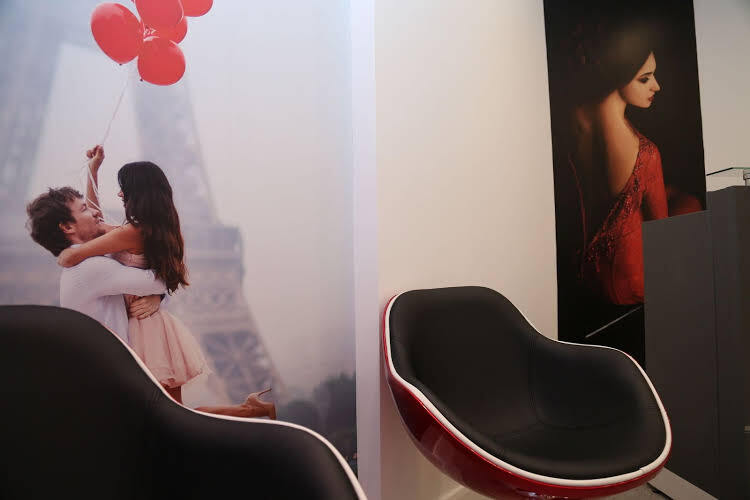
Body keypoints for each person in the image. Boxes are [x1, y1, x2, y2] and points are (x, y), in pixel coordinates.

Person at [30, 146, 274, 419]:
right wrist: (92, 172)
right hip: (119, 354)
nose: (116, 197)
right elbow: (155, 279)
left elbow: (155, 280)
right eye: (83, 209)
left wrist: (72, 253)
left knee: (170, 416)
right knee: (171, 415)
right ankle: (249, 409)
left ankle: (248, 410)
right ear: (67, 227)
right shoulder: (98, 262)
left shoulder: (112, 246)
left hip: (139, 340)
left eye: (123, 190)